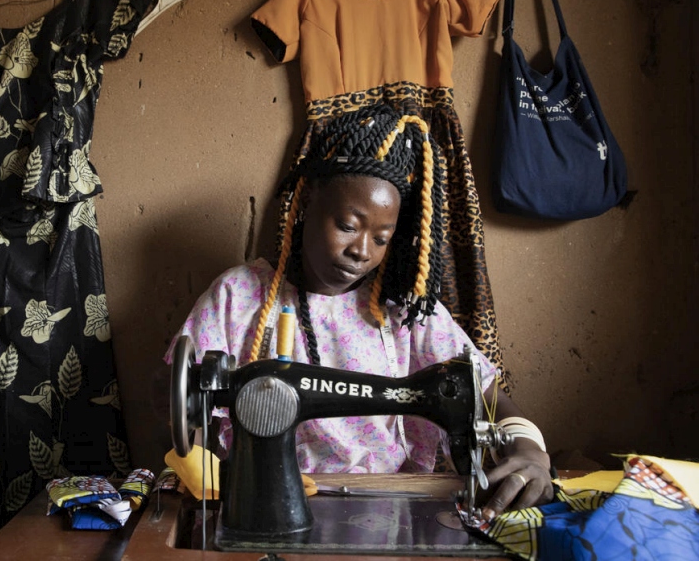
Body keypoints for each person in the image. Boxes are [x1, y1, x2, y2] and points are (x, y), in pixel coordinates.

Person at [169, 105, 554, 519]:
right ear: (306, 203)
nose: (361, 251)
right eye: (348, 226)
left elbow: (482, 393)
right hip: (265, 498)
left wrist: (531, 450)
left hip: (389, 502)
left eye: (382, 238)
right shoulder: (238, 296)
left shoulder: (402, 308)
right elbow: (178, 397)